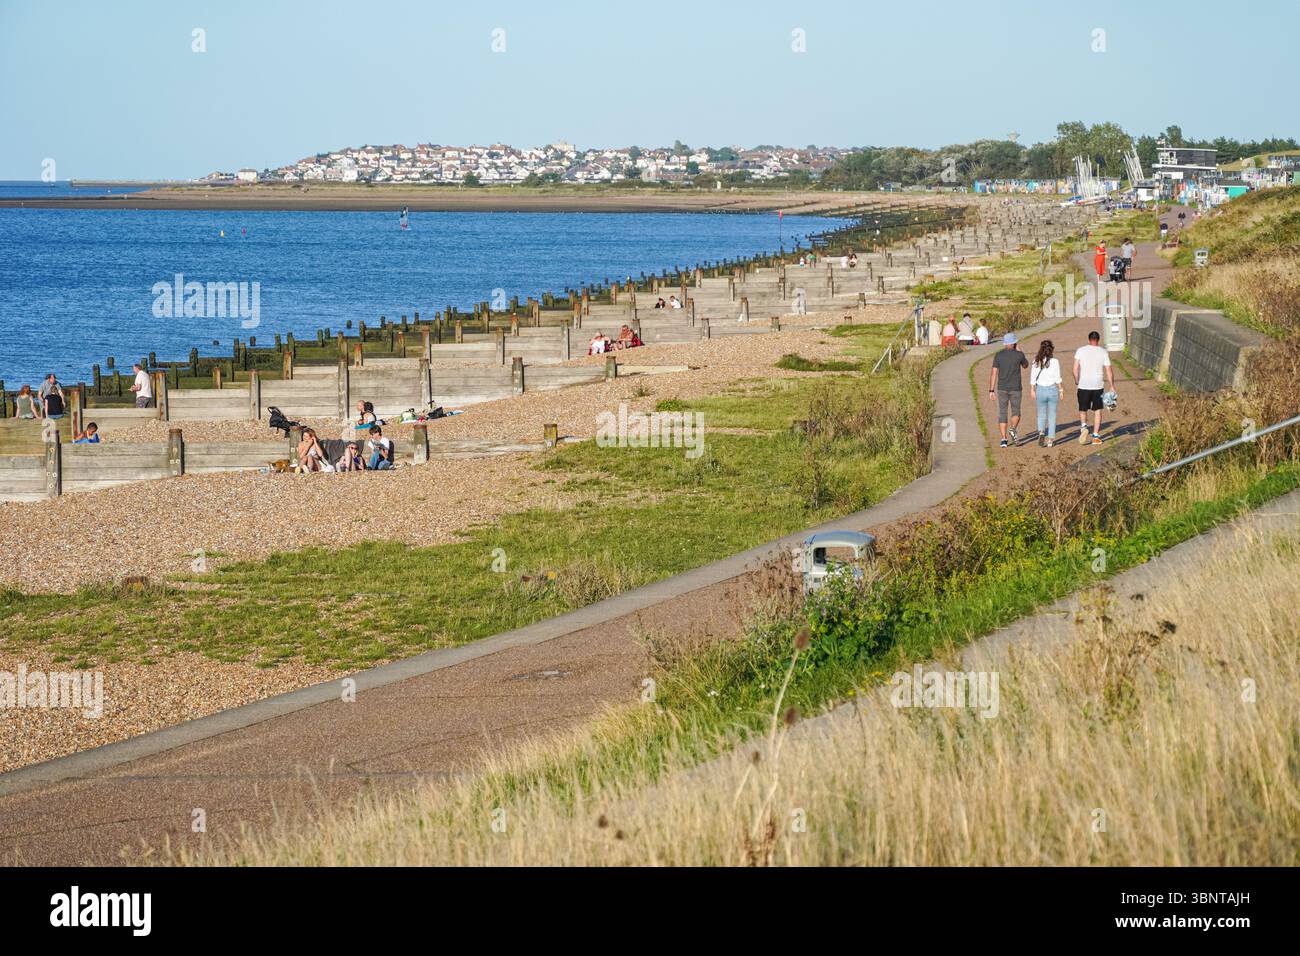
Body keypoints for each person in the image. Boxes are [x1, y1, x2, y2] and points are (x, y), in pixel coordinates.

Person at [1073, 330, 1116, 445]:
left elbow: (1075, 368)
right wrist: (1112, 386)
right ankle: (1096, 436)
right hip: (1098, 385)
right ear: (1098, 340)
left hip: (1084, 384)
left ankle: (1084, 427)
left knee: (1083, 409)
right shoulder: (1103, 352)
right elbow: (1109, 370)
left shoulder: (1080, 350)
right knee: (1097, 410)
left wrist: (1077, 380)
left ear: (1088, 340)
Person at [988, 332, 1028, 448]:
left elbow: (994, 373)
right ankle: (1013, 429)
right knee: (1016, 412)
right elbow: (1025, 365)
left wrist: (991, 390)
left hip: (1002, 388)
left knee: (1002, 413)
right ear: (1014, 342)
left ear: (1005, 343)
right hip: (1016, 388)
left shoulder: (998, 355)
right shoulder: (1019, 355)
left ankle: (1004, 439)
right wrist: (1020, 351)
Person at [1029, 340, 1063, 448]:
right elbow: (1057, 378)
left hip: (1040, 390)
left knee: (1041, 414)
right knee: (1052, 415)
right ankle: (1050, 439)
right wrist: (1061, 390)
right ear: (1051, 349)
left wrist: (1032, 390)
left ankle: (1041, 432)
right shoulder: (1055, 361)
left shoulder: (1036, 361)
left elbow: (1033, 377)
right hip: (1052, 389)